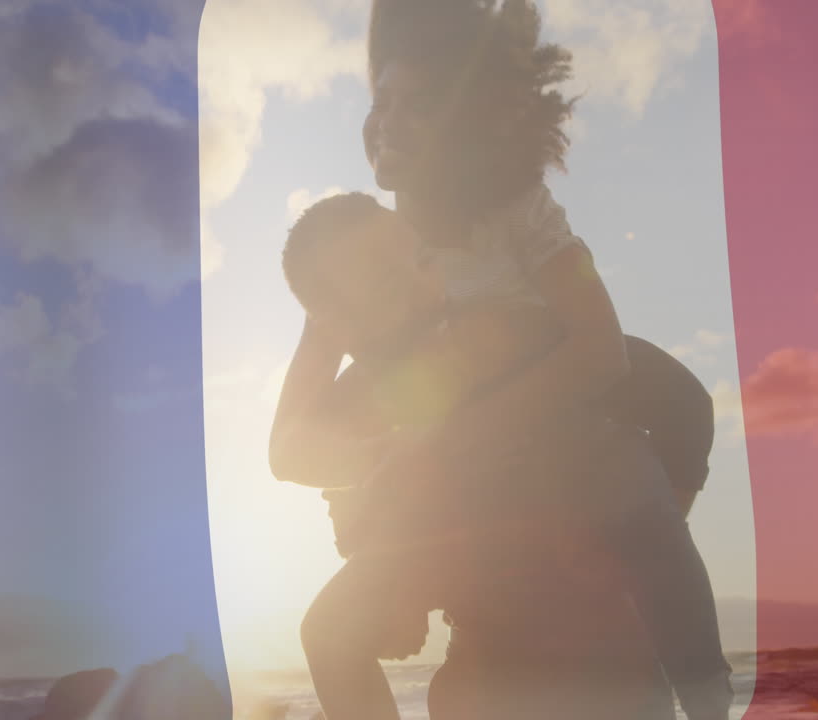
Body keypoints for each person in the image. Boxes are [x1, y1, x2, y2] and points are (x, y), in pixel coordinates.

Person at [270, 1, 733, 717]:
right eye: (382, 102)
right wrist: (385, 477)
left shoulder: (519, 219)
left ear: (467, 126)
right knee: (330, 631)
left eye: (418, 106)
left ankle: (697, 675)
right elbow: (294, 449)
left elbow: (618, 362)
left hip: (565, 458)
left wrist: (448, 440)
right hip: (451, 511)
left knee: (642, 497)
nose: (388, 122)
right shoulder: (362, 253)